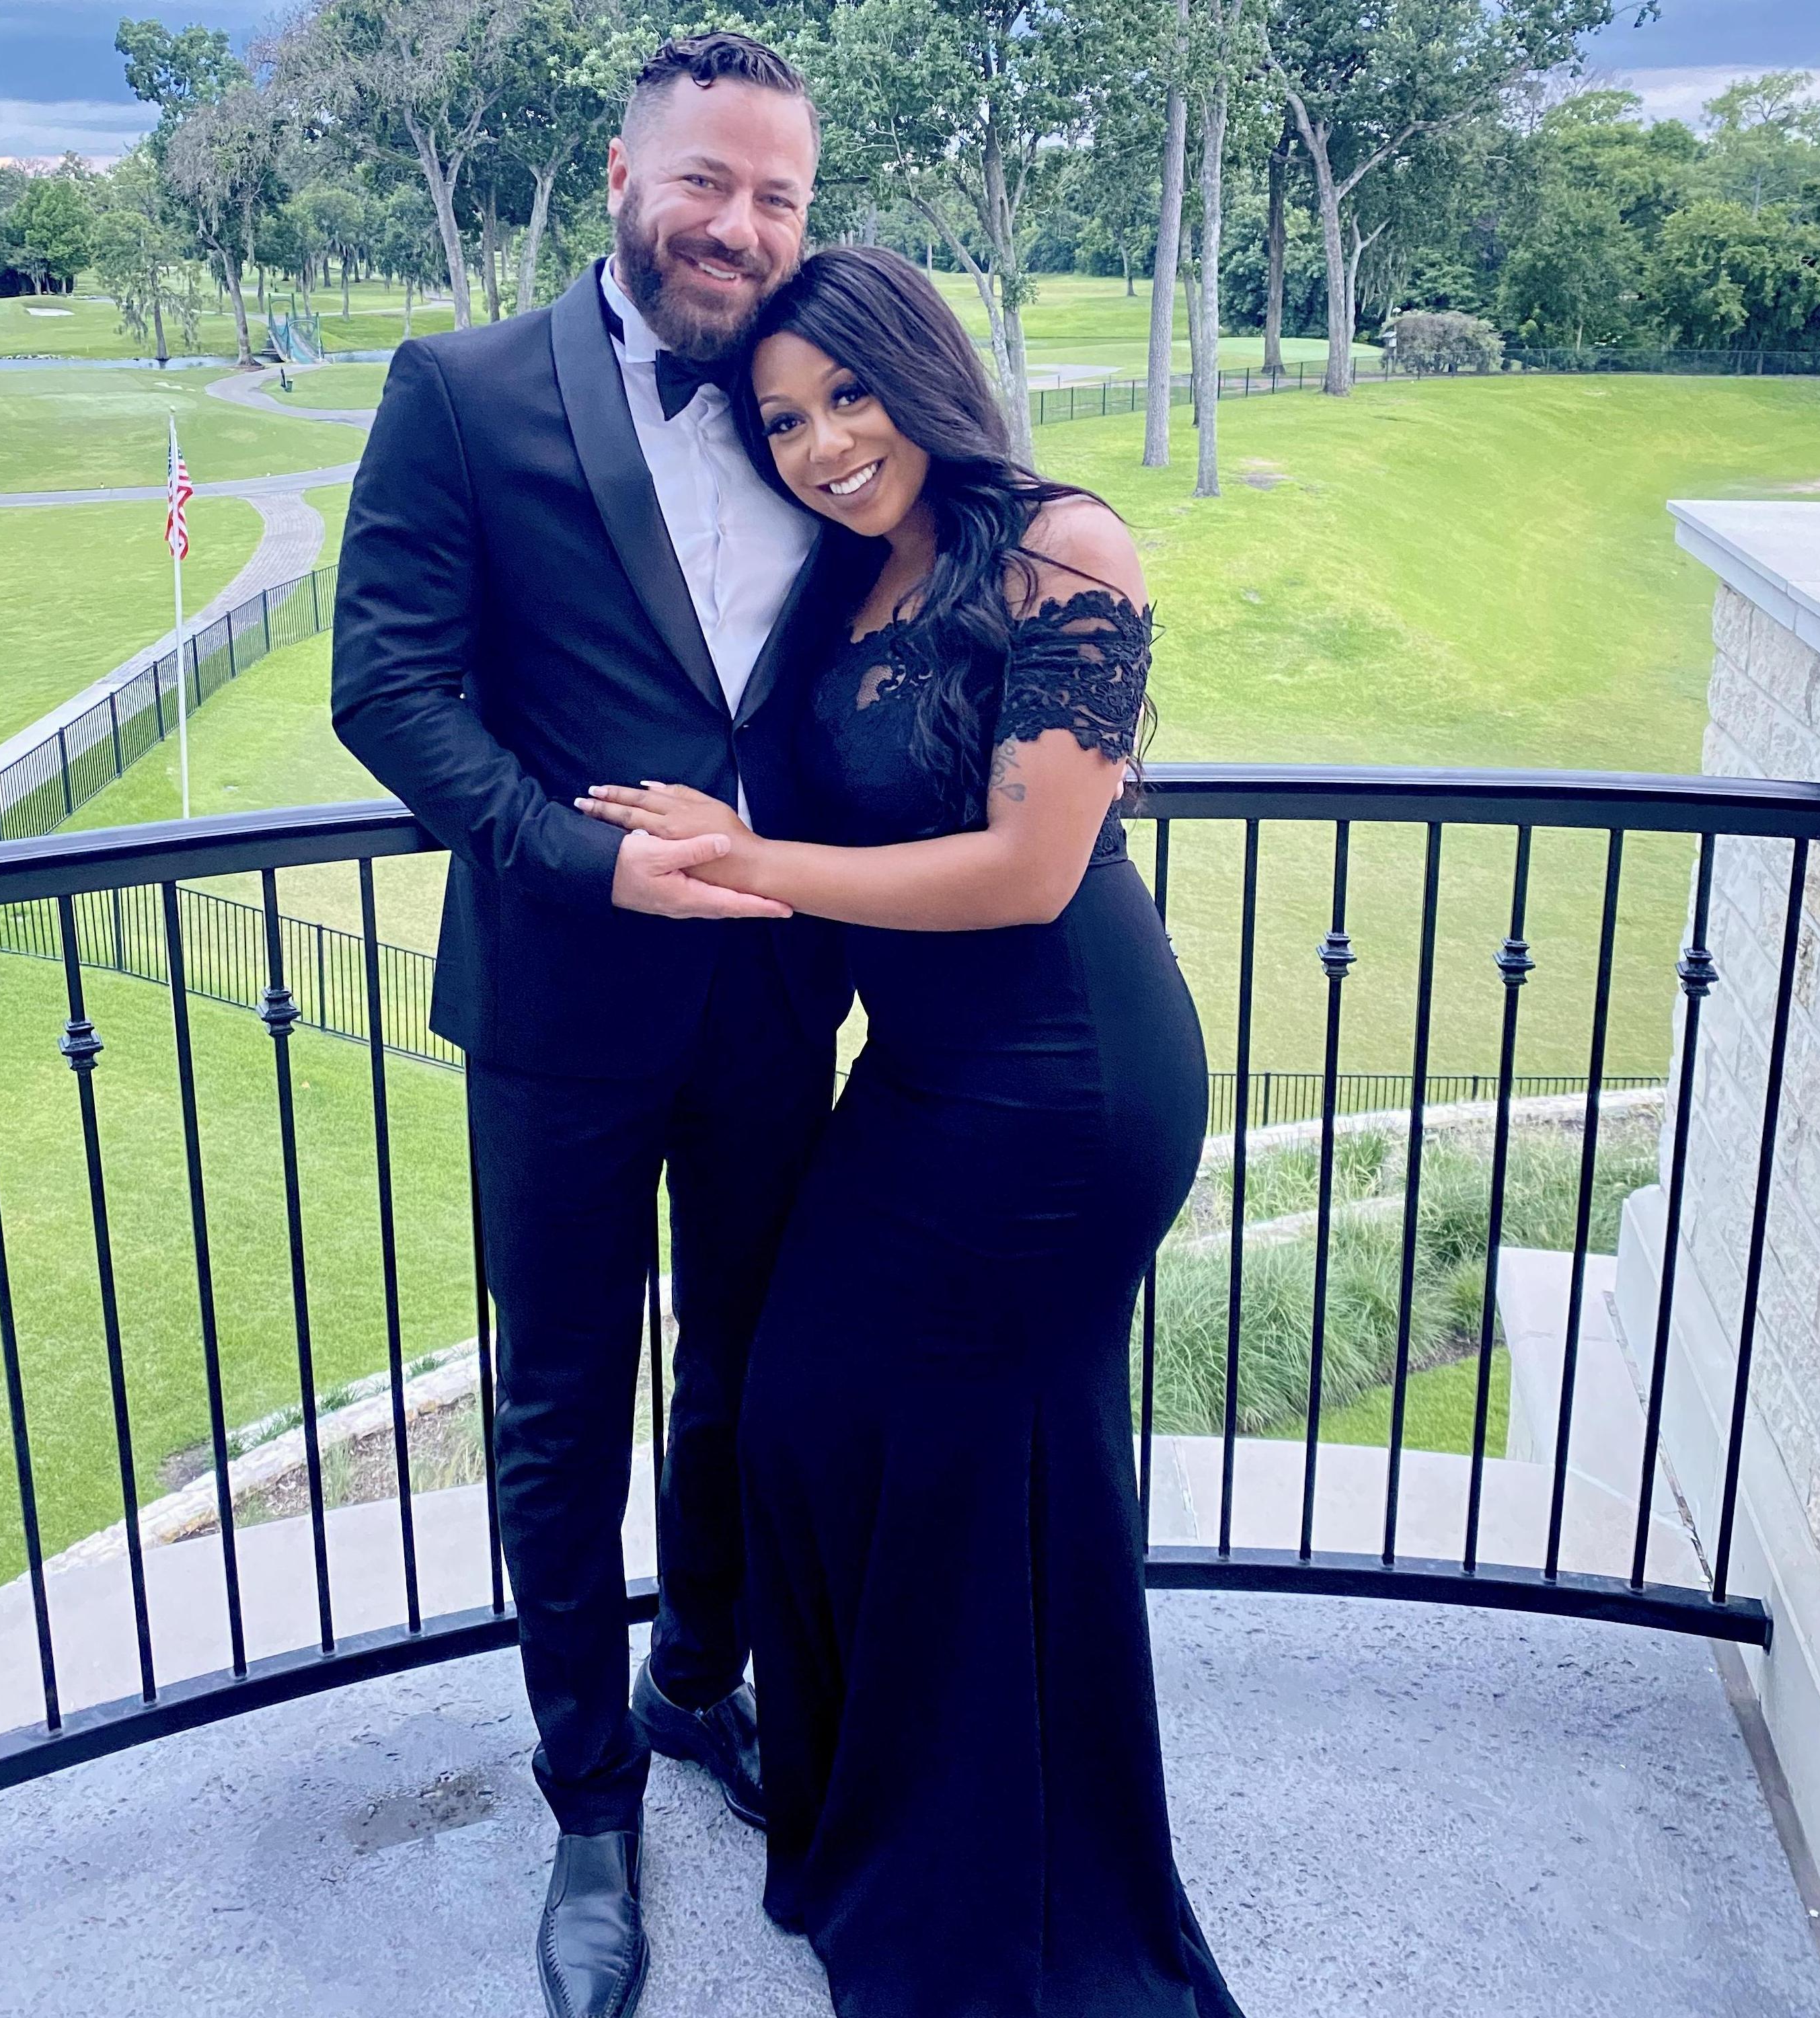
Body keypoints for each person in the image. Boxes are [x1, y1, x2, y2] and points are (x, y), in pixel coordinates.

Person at [576, 247, 1246, 2017]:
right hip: (925, 1073)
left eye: (847, 396)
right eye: (784, 421)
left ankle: (1003, 1904)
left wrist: (753, 862)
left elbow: (1027, 868)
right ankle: (883, 1813)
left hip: (1067, 1081)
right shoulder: (849, 572)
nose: (820, 445)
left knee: (977, 1456)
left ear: (920, 374)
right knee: (804, 1413)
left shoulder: (1061, 550)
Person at [330, 35, 866, 2018]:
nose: (740, 224)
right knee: (561, 1409)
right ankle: (584, 1801)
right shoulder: (460, 389)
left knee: (742, 1368)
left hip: (776, 991)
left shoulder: (817, 399)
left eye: (778, 195)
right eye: (706, 181)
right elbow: (388, 687)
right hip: (561, 1000)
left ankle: (697, 1681)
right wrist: (581, 859)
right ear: (623, 176)